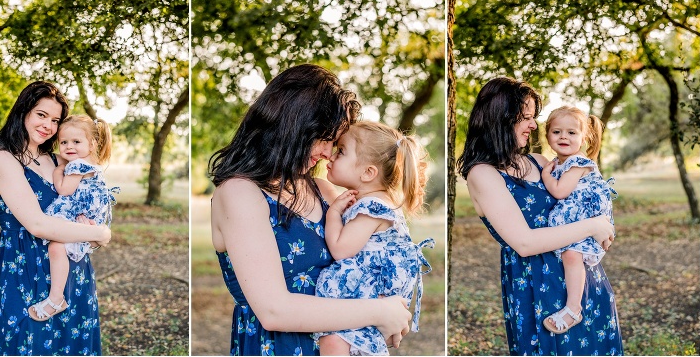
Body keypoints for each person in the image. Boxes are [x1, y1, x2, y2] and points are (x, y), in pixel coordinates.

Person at [209, 64, 413, 356]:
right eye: (326, 139)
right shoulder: (240, 193)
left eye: (337, 144)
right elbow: (274, 310)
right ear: (294, 126)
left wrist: (393, 306)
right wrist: (380, 311)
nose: (329, 153)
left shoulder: (325, 191)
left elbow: (375, 255)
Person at [456, 77, 623, 355]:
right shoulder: (483, 174)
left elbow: (586, 195)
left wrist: (604, 223)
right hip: (536, 287)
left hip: (583, 282)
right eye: (526, 117)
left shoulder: (540, 161)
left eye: (534, 117)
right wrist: (594, 225)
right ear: (501, 119)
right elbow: (525, 243)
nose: (534, 125)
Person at [0, 81, 111, 355]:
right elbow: (37, 224)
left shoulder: (58, 160)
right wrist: (101, 234)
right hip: (26, 270)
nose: (48, 125)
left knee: (74, 344)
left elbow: (88, 190)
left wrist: (90, 222)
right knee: (30, 344)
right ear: (23, 112)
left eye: (55, 120)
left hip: (71, 269)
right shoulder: (4, 160)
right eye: (41, 115)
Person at [313, 121, 434, 356]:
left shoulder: (371, 206)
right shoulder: (379, 202)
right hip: (370, 298)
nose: (331, 156)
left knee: (332, 341)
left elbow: (340, 249)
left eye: (341, 151)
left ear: (368, 172)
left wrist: (333, 214)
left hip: (363, 297)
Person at [28, 115, 117, 321]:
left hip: (77, 216)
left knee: (55, 247)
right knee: (59, 248)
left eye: (76, 142)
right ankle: (57, 296)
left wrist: (59, 171)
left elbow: (64, 189)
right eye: (64, 142)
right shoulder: (92, 164)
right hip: (87, 216)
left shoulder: (76, 166)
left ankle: (56, 298)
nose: (69, 147)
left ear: (92, 144)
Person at [539, 106, 617, 334]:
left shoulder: (577, 162)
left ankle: (573, 309)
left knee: (572, 255)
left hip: (588, 222)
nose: (564, 136)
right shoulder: (562, 162)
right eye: (557, 132)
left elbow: (560, 191)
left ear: (584, 138)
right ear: (548, 136)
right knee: (569, 255)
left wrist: (546, 176)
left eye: (572, 133)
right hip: (580, 222)